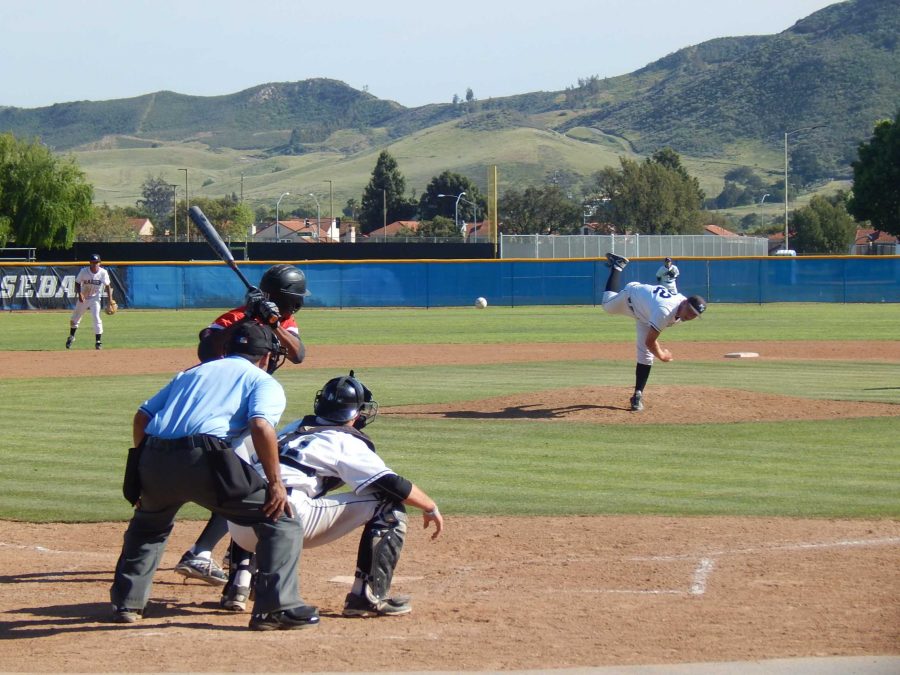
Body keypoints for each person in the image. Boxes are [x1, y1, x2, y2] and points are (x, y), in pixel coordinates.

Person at [109, 321, 319, 631]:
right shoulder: (262, 380)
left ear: (228, 349)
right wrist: (275, 484)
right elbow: (261, 426)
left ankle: (127, 604)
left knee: (149, 525)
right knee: (280, 520)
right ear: (265, 357)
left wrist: (143, 467)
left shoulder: (192, 372)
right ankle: (276, 608)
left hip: (153, 455)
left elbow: (143, 417)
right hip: (205, 457)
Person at [221, 372, 444, 617]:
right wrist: (430, 506)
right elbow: (391, 484)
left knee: (260, 492)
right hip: (287, 522)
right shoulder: (343, 440)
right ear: (356, 414)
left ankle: (237, 586)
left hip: (238, 526)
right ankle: (367, 597)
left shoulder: (294, 427)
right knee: (387, 505)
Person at [173, 264, 310, 586]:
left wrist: (271, 321)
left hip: (242, 411)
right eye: (295, 300)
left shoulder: (284, 320)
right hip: (218, 409)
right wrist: (249, 317)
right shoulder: (234, 317)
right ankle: (204, 553)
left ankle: (223, 552)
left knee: (246, 479)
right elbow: (206, 351)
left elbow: (298, 354)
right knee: (244, 482)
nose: (297, 306)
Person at [602, 253, 706, 412]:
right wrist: (662, 355)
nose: (691, 316)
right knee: (607, 306)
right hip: (631, 298)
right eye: (690, 311)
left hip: (646, 313)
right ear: (684, 303)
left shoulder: (679, 307)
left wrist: (657, 351)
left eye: (695, 315)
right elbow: (650, 342)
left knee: (646, 356)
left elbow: (650, 342)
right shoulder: (666, 310)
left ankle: (637, 395)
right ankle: (618, 266)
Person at [66, 253, 114, 350]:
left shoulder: (103, 273)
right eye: (93, 262)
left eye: (96, 262)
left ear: (99, 263)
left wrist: (110, 300)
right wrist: (79, 294)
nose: (94, 264)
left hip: (95, 298)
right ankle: (71, 336)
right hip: (83, 297)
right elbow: (77, 282)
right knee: (75, 318)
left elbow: (108, 286)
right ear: (90, 263)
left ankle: (98, 342)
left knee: (96, 317)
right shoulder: (84, 271)